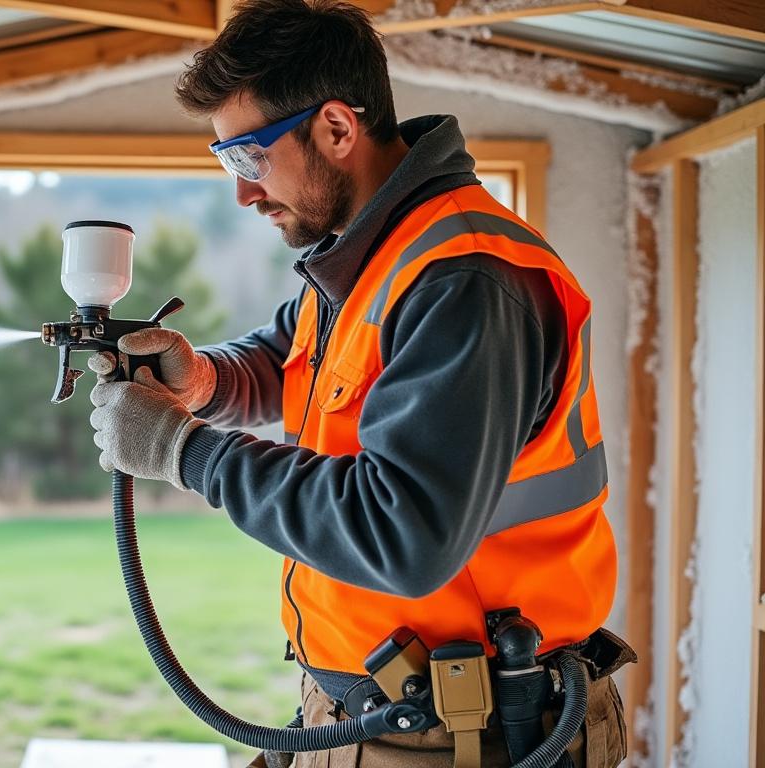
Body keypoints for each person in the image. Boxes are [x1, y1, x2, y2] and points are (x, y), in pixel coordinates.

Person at [85, 1, 633, 765]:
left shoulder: (464, 278)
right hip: (381, 712)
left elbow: (400, 534)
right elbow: (291, 360)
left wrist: (186, 451)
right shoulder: (364, 255)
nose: (242, 193)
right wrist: (205, 377)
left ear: (338, 130)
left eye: (249, 158)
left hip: (472, 734)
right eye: (227, 163)